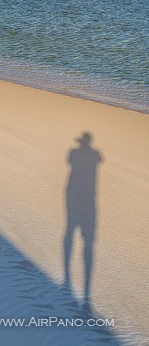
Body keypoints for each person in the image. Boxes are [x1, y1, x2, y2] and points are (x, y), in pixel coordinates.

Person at [63, 132, 102, 310]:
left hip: (74, 196)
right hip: (87, 198)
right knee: (87, 239)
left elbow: (70, 161)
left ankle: (67, 271)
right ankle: (84, 283)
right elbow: (99, 159)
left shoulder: (74, 153)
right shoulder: (94, 155)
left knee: (70, 230)